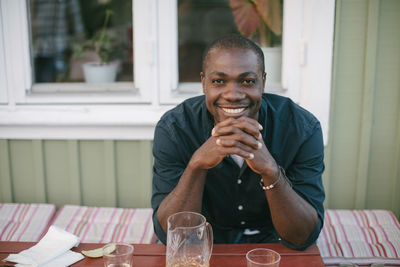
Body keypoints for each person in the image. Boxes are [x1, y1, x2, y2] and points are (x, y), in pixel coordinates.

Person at [151, 34, 325, 250]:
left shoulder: (302, 128)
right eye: (219, 81)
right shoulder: (175, 128)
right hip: (203, 240)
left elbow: (302, 236)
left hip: (276, 241)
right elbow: (170, 235)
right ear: (204, 83)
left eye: (248, 81)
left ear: (263, 82)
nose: (233, 94)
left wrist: (270, 170)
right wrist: (197, 164)